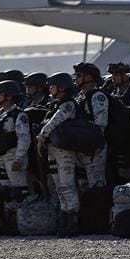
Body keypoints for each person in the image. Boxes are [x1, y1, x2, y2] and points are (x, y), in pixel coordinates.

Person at [36, 73, 80, 237]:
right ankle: (65, 221)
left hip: (64, 151)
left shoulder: (68, 105)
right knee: (59, 187)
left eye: (53, 85)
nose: (50, 88)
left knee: (67, 186)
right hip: (54, 150)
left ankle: (72, 223)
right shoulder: (57, 104)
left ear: (61, 87)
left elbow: (54, 122)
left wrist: (41, 138)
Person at [0, 81, 32, 214]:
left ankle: (24, 219)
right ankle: (11, 222)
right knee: (6, 191)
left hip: (13, 156)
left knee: (19, 190)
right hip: (0, 158)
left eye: (0, 94)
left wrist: (18, 159)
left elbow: (24, 138)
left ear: (9, 96)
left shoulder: (18, 115)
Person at [72, 62, 108, 190]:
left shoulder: (97, 96)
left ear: (89, 77)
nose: (76, 78)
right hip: (80, 147)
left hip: (94, 148)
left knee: (96, 183)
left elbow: (101, 123)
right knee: (82, 184)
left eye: (79, 75)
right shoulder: (80, 97)